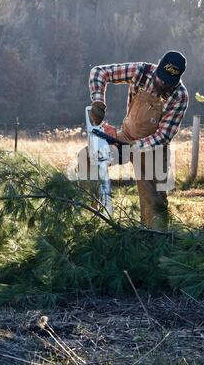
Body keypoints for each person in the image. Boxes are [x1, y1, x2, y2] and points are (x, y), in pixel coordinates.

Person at [79, 51, 189, 231]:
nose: (163, 83)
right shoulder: (142, 71)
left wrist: (133, 148)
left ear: (177, 79)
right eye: (161, 78)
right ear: (158, 67)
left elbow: (163, 136)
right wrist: (98, 102)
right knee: (87, 158)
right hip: (127, 135)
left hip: (154, 148)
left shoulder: (179, 96)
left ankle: (153, 242)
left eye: (169, 81)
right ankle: (93, 216)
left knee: (153, 201)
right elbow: (99, 72)